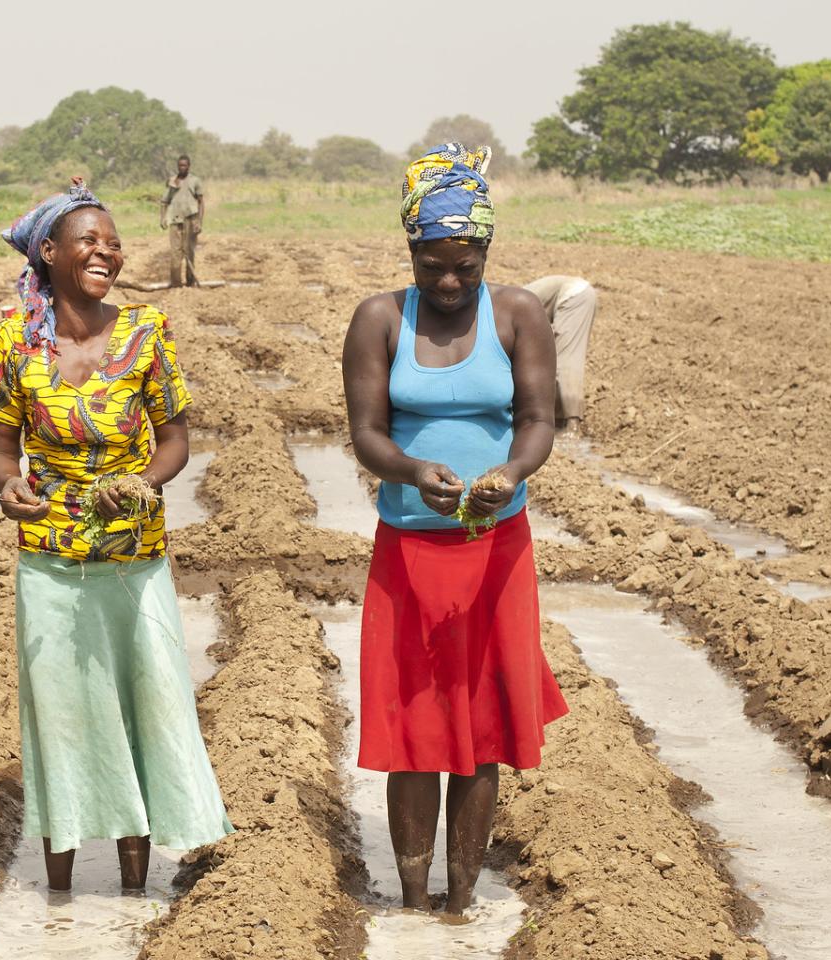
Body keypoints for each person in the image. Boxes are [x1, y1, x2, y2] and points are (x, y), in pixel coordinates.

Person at [0, 178, 233, 891]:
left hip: (134, 559)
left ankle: (133, 887)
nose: (107, 253)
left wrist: (145, 483)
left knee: (144, 704)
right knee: (59, 715)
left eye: (114, 243)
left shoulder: (147, 333)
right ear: (50, 253)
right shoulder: (12, 340)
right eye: (90, 241)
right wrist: (7, 485)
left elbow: (176, 438)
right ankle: (58, 887)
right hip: (50, 559)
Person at [340, 145, 568, 915]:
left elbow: (538, 418)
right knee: (414, 731)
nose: (448, 282)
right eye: (434, 265)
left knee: (482, 727)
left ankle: (461, 897)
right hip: (410, 549)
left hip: (495, 549)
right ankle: (411, 898)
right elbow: (367, 433)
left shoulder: (518, 313)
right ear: (410, 250)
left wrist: (510, 474)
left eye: (465, 267)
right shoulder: (378, 319)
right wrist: (412, 472)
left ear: (486, 255)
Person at [521, 275, 597, 434]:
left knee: (567, 359)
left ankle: (572, 426)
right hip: (579, 294)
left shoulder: (504, 310)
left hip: (573, 297)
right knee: (554, 359)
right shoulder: (507, 302)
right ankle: (559, 421)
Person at [158, 154, 204, 288]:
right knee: (175, 253)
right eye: (180, 165)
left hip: (191, 219)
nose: (182, 168)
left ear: (188, 166)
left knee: (189, 251)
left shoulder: (195, 181)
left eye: (184, 165)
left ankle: (190, 282)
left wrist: (199, 221)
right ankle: (176, 284)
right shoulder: (172, 181)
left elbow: (201, 202)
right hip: (175, 220)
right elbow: (164, 201)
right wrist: (163, 218)